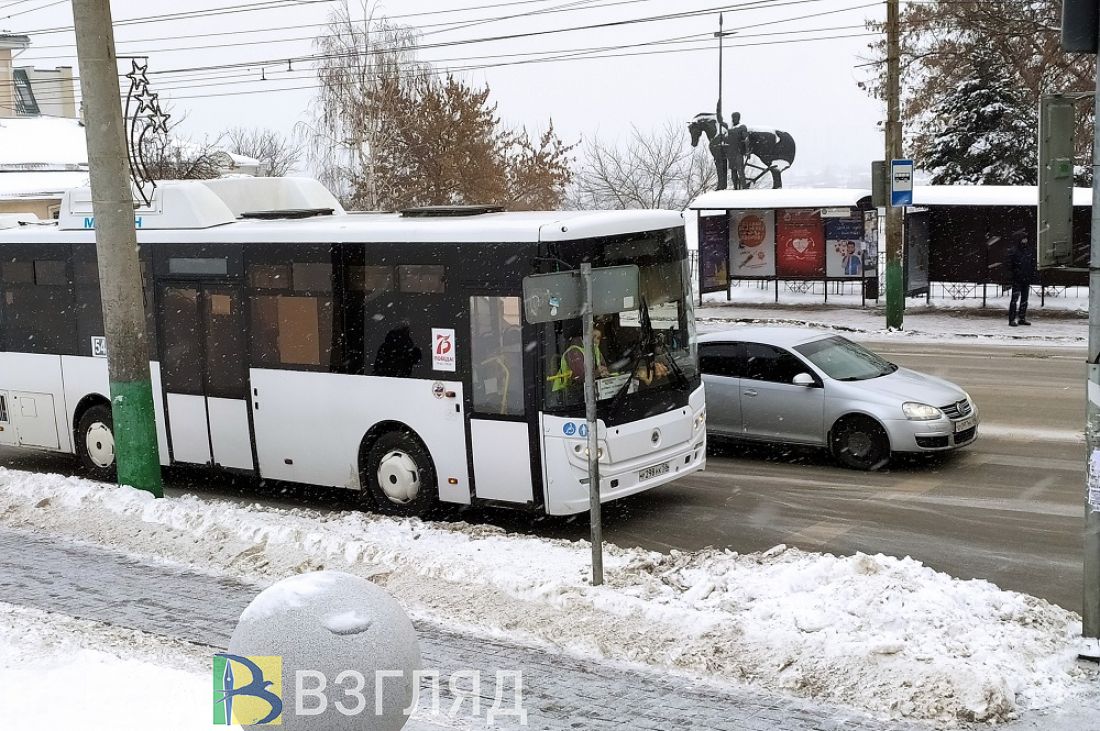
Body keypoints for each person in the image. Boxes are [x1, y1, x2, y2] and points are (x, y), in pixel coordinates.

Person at [1007, 230, 1036, 327]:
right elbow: (1010, 265)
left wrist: (1030, 274)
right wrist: (1015, 274)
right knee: (1014, 300)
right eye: (1023, 239)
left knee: (1024, 300)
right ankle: (1012, 319)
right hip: (1017, 279)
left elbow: (1031, 264)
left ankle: (1022, 318)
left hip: (1025, 278)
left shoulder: (1028, 250)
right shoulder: (1015, 251)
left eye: (1026, 239)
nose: (1025, 241)